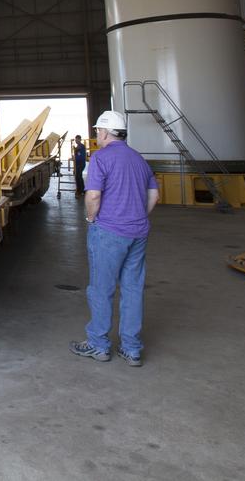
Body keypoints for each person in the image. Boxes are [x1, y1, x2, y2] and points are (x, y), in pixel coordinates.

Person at [70, 110, 159, 366]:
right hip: (138, 232)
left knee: (101, 289)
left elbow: (93, 196)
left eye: (98, 131)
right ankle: (131, 349)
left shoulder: (101, 158)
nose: (97, 134)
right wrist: (138, 217)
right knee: (132, 289)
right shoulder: (138, 159)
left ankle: (99, 345)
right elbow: (154, 195)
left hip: (108, 232)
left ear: (106, 132)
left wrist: (90, 219)